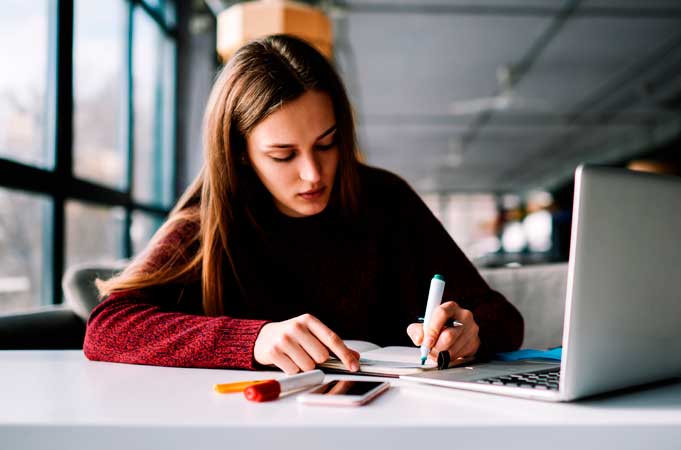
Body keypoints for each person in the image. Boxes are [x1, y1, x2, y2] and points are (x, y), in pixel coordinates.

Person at [83, 35, 524, 374]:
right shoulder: (208, 222)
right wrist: (254, 340)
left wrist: (468, 331)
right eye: (283, 155)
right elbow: (107, 327)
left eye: (327, 144)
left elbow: (504, 317)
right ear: (240, 153)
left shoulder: (386, 199)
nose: (314, 174)